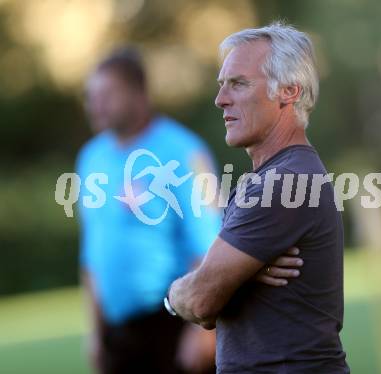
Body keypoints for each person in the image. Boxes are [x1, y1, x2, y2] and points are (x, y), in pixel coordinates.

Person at [77, 48, 303, 374]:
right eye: (91, 96)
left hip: (171, 322)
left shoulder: (182, 151)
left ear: (139, 95)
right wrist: (95, 332)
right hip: (116, 333)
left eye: (108, 94)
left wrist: (201, 328)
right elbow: (93, 253)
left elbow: (209, 240)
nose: (95, 104)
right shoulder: (91, 158)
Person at [168, 22, 350, 373]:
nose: (220, 99)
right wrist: (230, 276)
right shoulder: (281, 176)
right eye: (222, 85)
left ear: (289, 91)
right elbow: (210, 288)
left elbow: (201, 300)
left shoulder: (282, 182)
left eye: (238, 84)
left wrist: (174, 296)